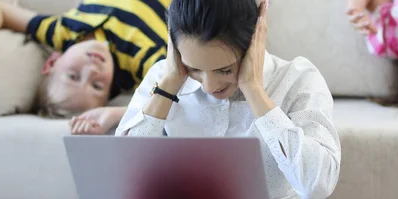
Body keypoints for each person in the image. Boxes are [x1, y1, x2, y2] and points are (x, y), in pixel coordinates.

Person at [115, 0, 341, 198]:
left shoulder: (298, 79)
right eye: (194, 69)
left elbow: (317, 186)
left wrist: (254, 91)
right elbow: (121, 178)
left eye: (224, 70)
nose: (209, 86)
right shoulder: (164, 78)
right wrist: (170, 84)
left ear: (255, 41)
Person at [0, 0, 170, 134]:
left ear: (52, 62)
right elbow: (170, 101)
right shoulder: (140, 62)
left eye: (74, 76)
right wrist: (115, 115)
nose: (92, 70)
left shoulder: (61, 31)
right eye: (97, 86)